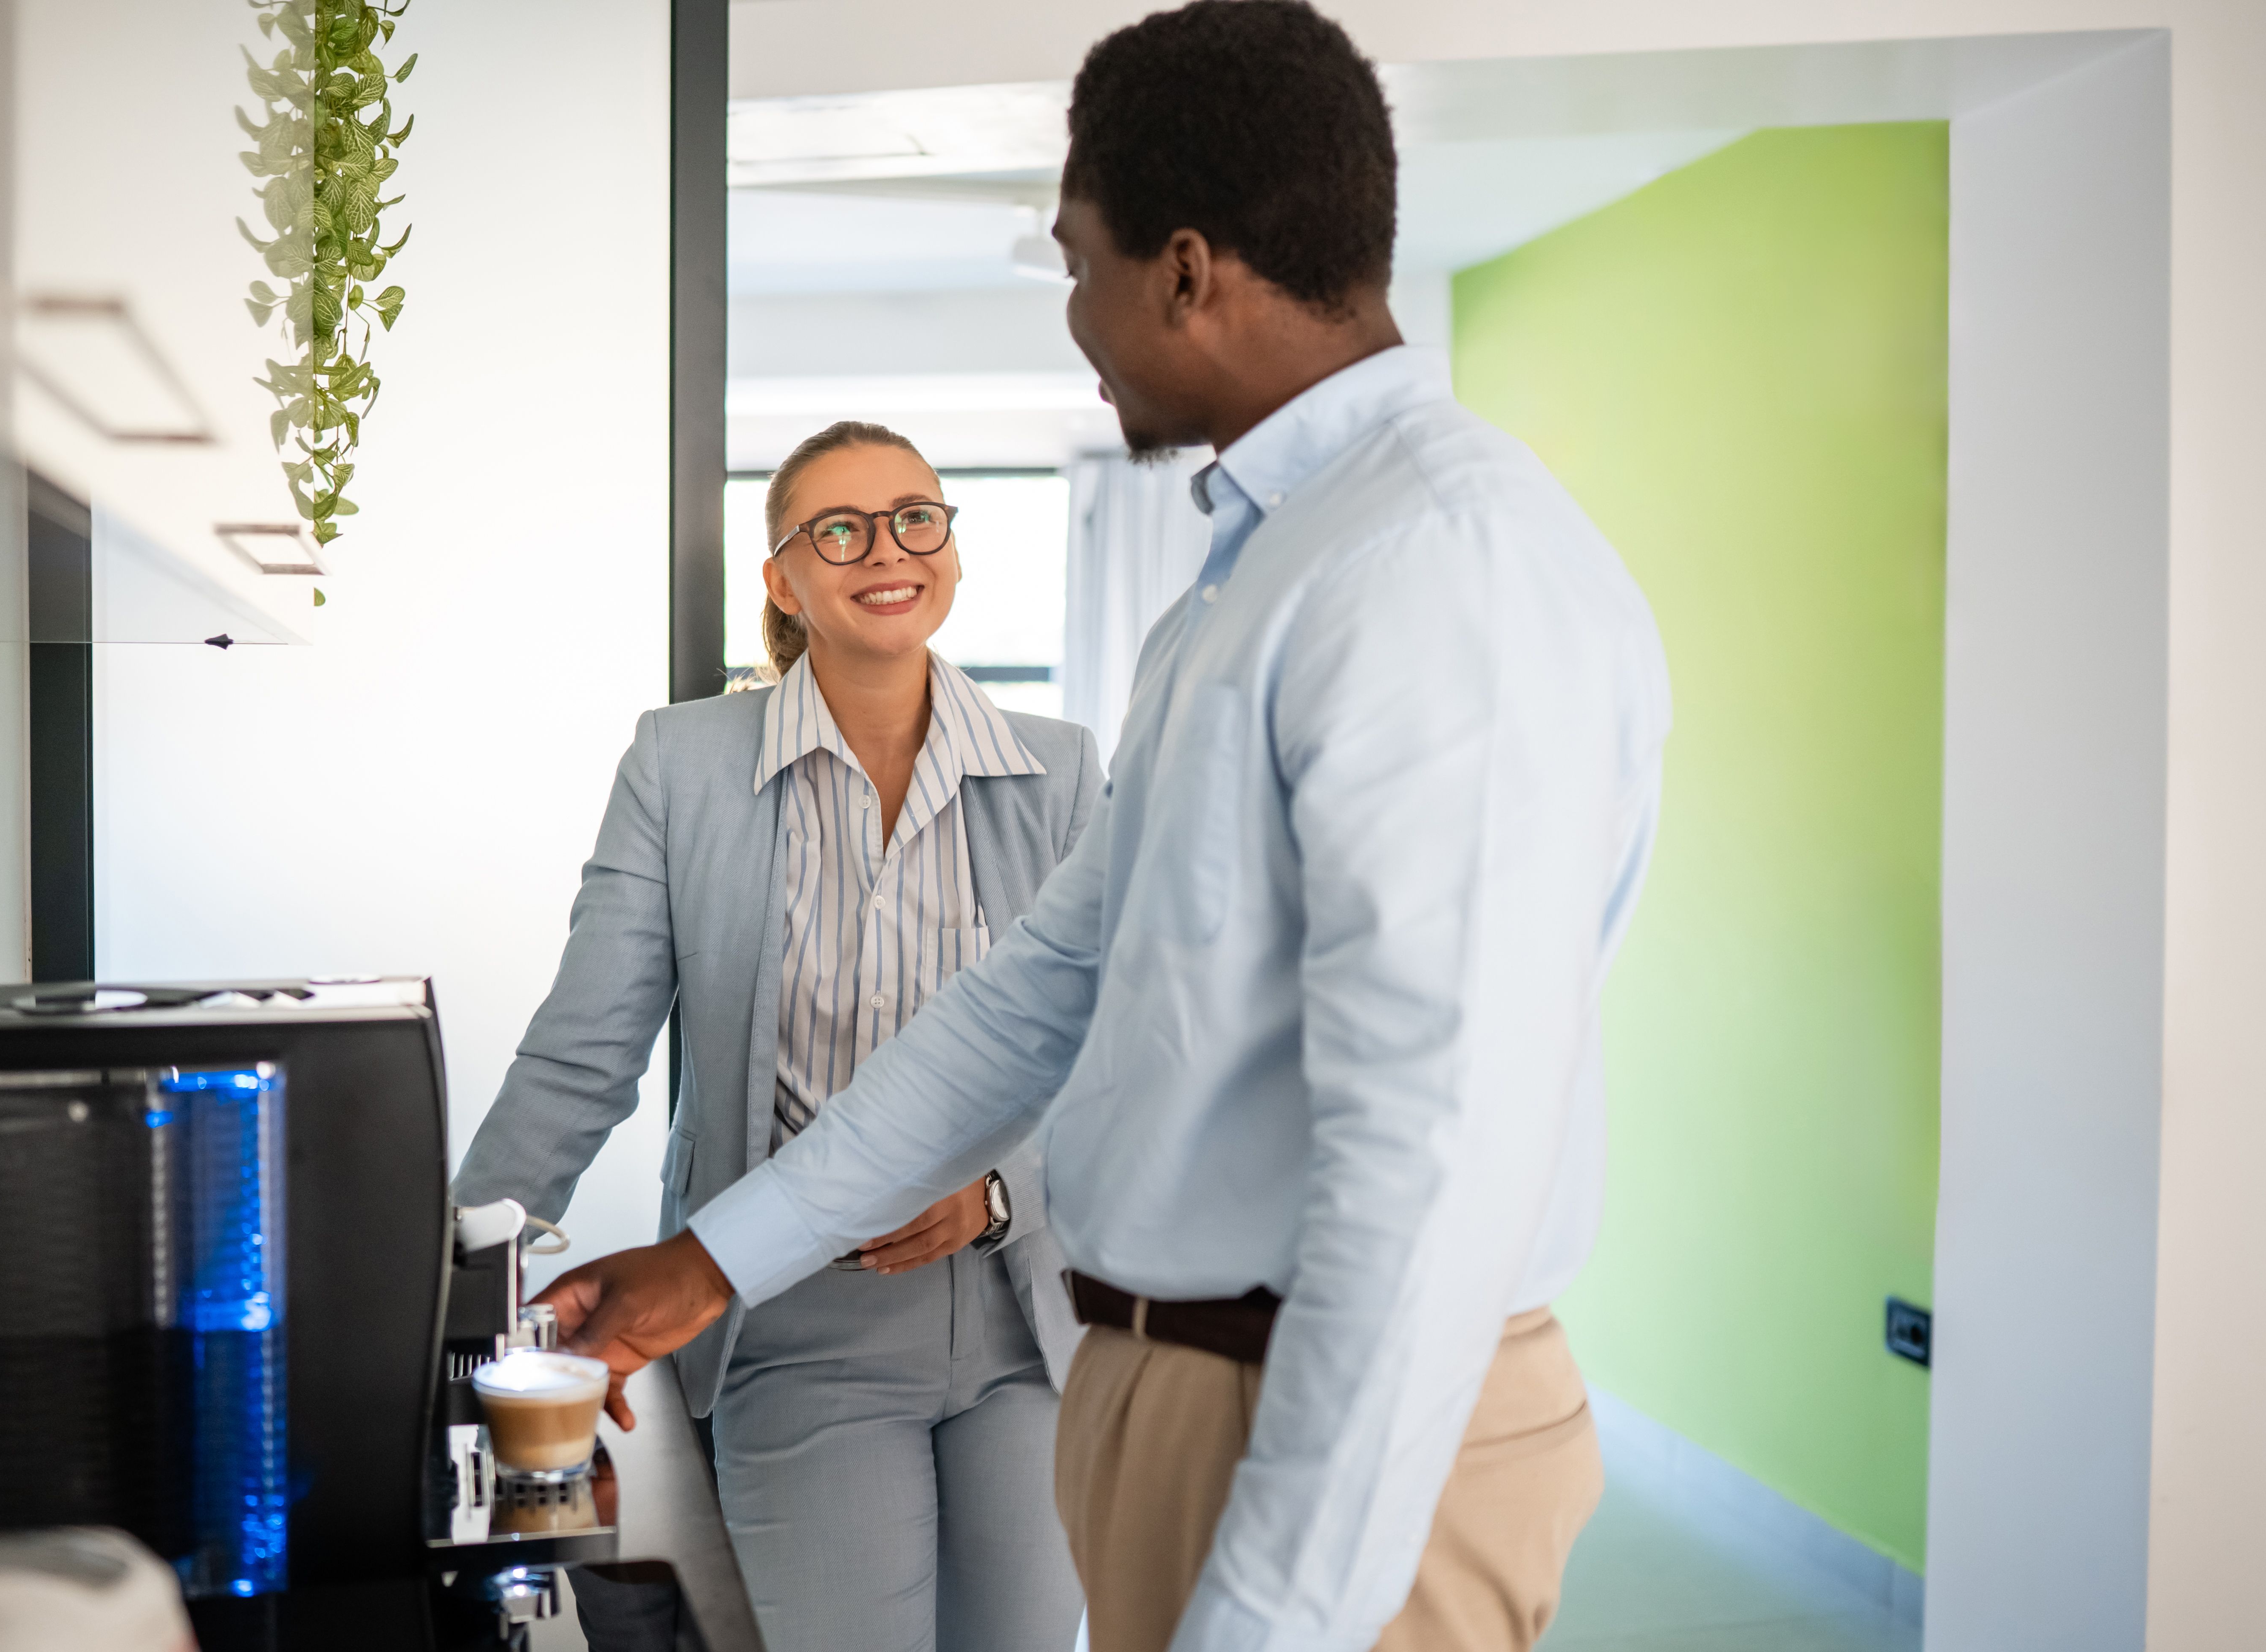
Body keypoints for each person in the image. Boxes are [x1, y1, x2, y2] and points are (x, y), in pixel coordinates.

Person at [538, 4, 1672, 1649]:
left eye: (1079, 262)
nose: (1078, 314)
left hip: (1329, 1433)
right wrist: (710, 1262)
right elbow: (1043, 986)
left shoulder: (1436, 568)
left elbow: (1433, 1164)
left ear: (1188, 269)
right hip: (1162, 1385)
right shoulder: (1257, 573)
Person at [453, 420, 1098, 1652]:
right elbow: (585, 1050)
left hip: (1028, 1318)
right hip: (795, 1317)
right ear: (782, 578)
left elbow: (1112, 1049)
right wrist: (453, 1288)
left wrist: (998, 1194)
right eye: (838, 529)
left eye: (916, 517)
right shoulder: (681, 765)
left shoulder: (1059, 770)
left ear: (951, 548)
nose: (886, 550)